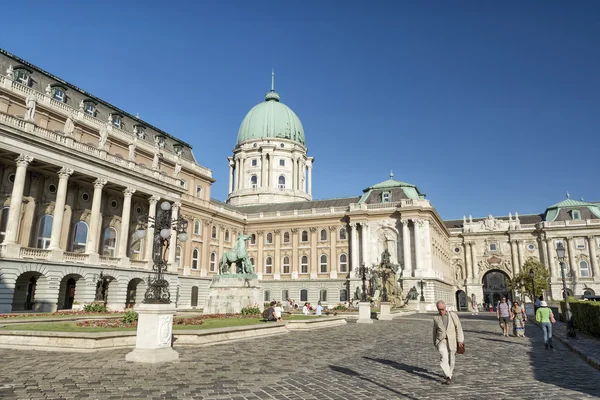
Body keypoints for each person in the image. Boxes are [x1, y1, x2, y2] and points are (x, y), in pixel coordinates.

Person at [432, 300, 464, 385]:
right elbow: (434, 331)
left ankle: (450, 373)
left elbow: (459, 328)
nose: (441, 311)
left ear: (445, 307)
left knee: (451, 359)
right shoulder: (436, 318)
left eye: (442, 309)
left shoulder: (453, 316)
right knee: (443, 358)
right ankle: (448, 376)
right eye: (439, 309)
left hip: (452, 340)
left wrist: (460, 340)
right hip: (441, 340)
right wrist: (435, 342)